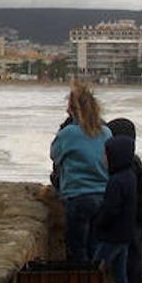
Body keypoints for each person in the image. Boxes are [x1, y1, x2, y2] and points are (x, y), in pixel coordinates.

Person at [49, 82, 112, 262]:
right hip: (103, 195)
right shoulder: (106, 132)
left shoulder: (68, 133)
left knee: (77, 248)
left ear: (72, 110)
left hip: (78, 195)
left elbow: (54, 155)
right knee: (95, 246)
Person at [93, 134, 138, 283]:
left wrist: (98, 224)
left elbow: (110, 210)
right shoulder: (130, 176)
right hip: (125, 236)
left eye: (106, 154)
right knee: (121, 278)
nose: (104, 158)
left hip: (112, 236)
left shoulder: (116, 182)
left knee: (93, 274)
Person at [107, 118, 142, 283]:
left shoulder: (127, 165)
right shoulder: (136, 162)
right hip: (137, 218)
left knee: (129, 259)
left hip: (130, 220)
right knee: (134, 257)